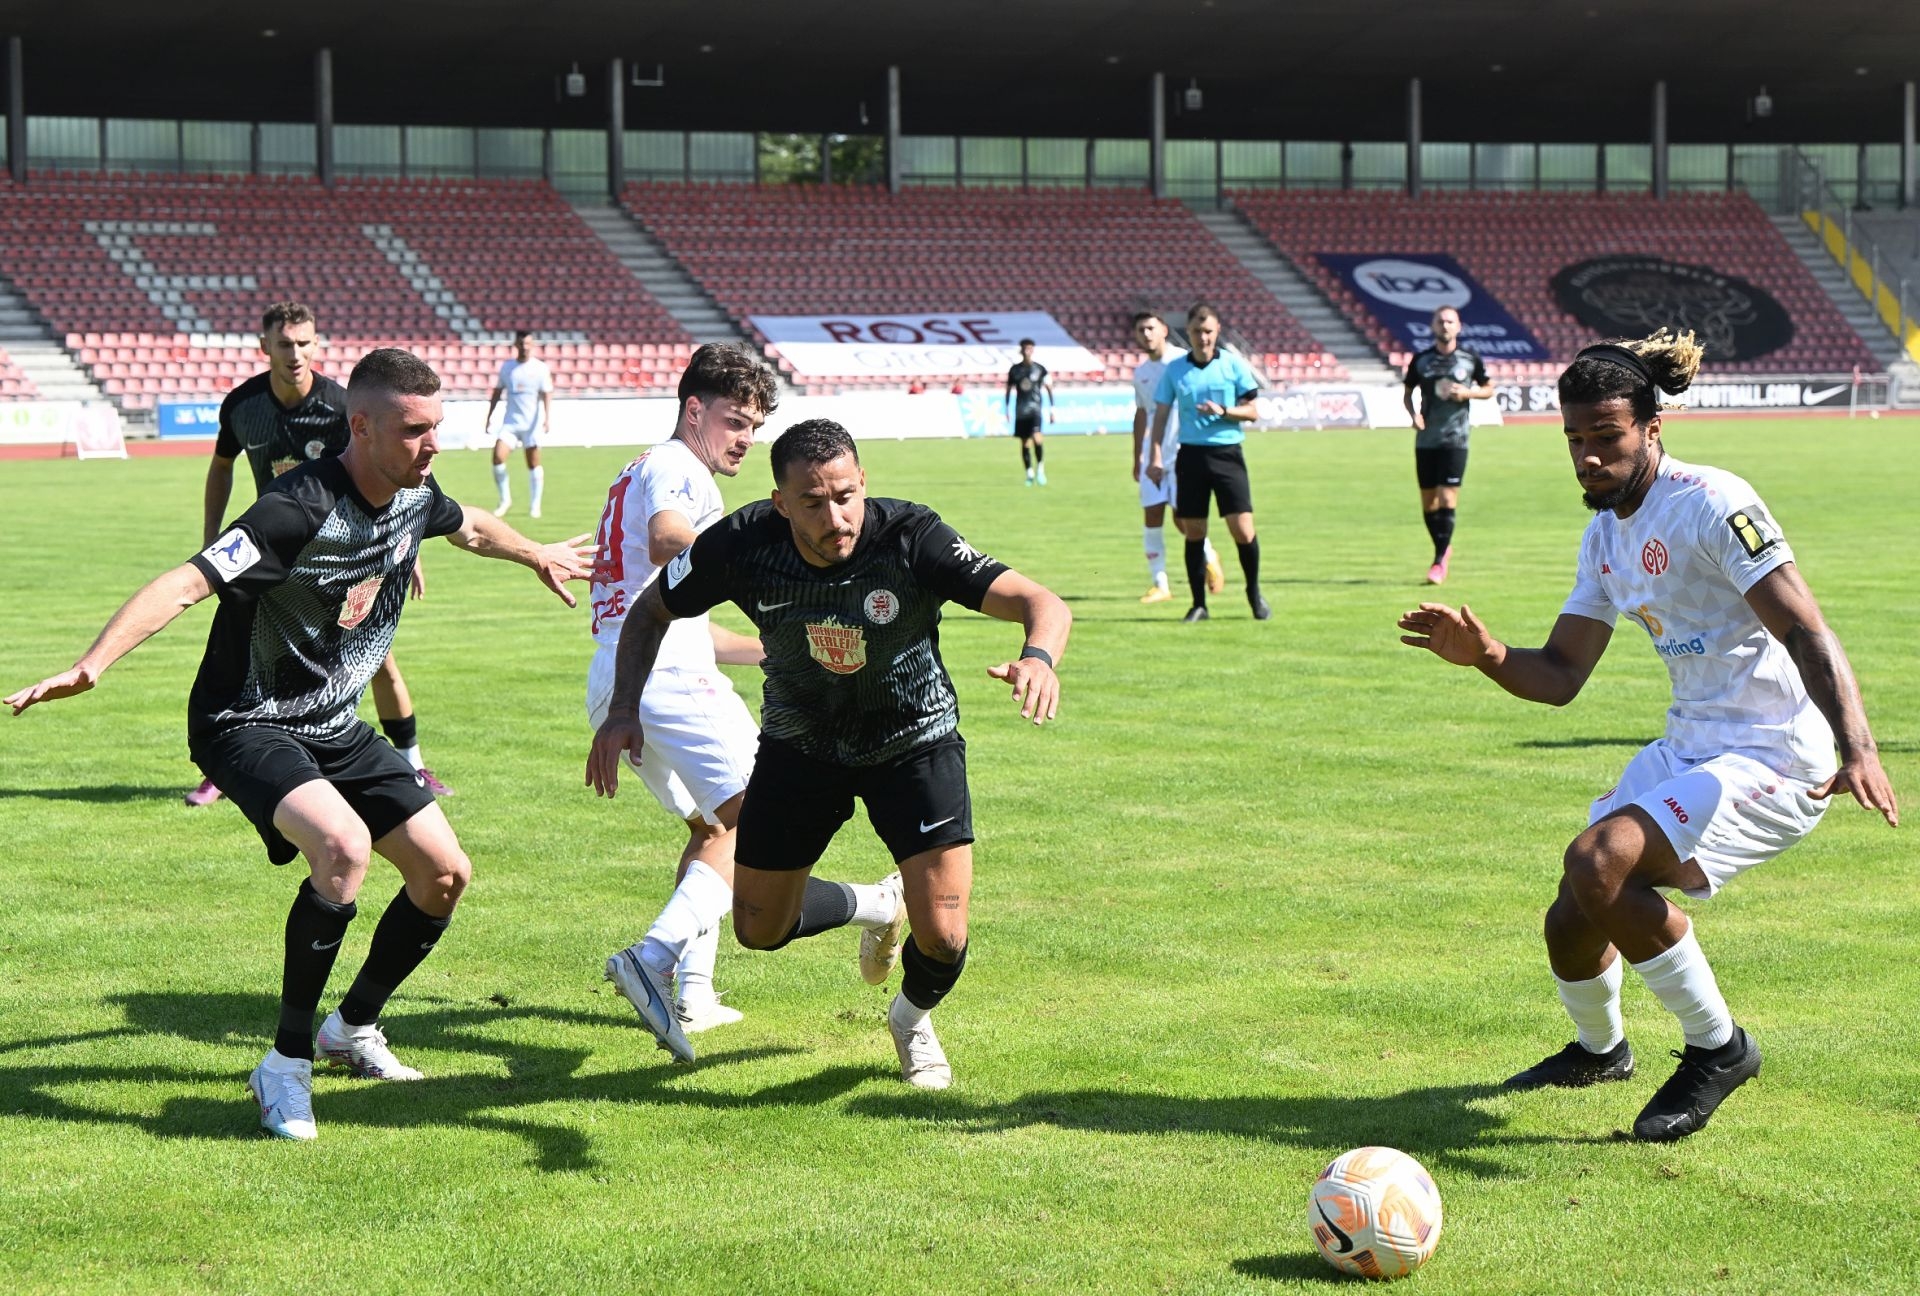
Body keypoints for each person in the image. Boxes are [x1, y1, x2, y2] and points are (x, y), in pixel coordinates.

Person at [8, 348, 595, 1142]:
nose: (433, 446)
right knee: (343, 849)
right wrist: (92, 664)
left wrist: (535, 553)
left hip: (333, 724)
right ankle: (284, 1066)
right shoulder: (297, 505)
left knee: (445, 873)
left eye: (438, 429)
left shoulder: (415, 494)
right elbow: (187, 582)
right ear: (361, 426)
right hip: (245, 720)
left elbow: (468, 525)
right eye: (415, 430)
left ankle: (350, 1029)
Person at [1397, 330, 1898, 1142]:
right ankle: (1600, 1052)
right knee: (1571, 916)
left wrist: (1860, 748)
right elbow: (1561, 674)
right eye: (1575, 440)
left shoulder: (1711, 501)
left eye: (1607, 437)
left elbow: (1806, 627)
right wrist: (1486, 655)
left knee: (1601, 862)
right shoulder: (1604, 536)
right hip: (1693, 744)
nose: (1589, 457)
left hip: (1774, 751)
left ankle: (1719, 1048)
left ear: (1651, 430)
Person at [588, 419, 1071, 1087]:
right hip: (802, 745)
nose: (835, 516)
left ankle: (908, 1019)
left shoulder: (911, 536)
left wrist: (1038, 658)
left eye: (846, 495)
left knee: (945, 937)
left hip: (912, 742)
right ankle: (878, 904)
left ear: (863, 483)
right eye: (812, 503)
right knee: (758, 928)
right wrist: (621, 711)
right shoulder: (740, 544)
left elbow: (1039, 601)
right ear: (780, 502)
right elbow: (649, 612)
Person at [586, 343, 799, 1038]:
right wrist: (756, 580)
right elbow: (668, 540)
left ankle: (692, 996)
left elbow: (674, 614)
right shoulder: (679, 468)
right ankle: (650, 958)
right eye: (735, 422)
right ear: (694, 408)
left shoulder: (640, 469)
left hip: (624, 673)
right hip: (669, 680)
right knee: (759, 822)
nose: (744, 440)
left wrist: (774, 646)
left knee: (713, 830)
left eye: (754, 428)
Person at [196, 301, 452, 804]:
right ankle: (226, 768)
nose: (296, 353)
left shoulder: (343, 406)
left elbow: (397, 476)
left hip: (346, 552)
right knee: (239, 661)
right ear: (264, 345)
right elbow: (221, 466)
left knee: (374, 657)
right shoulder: (242, 406)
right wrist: (212, 534)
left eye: (305, 342)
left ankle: (413, 763)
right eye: (285, 343)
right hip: (271, 553)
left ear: (318, 345)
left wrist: (407, 547)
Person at [1149, 303, 1269, 622]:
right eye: (1197, 332)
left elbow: (1254, 410)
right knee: (1194, 532)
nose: (1203, 337)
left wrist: (1224, 411)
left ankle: (1253, 593)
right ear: (1187, 332)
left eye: (1208, 331)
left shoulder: (1232, 365)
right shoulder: (1176, 370)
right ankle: (1199, 604)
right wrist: (1156, 456)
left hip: (1227, 454)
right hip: (1191, 456)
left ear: (1217, 332)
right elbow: (1160, 415)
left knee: (1243, 531)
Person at [1129, 310, 1223, 605]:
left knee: (1184, 519)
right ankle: (1160, 583)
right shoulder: (1140, 373)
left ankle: (1209, 555)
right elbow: (1142, 414)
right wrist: (1137, 457)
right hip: (1153, 456)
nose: (1146, 334)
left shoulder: (1182, 362)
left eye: (1151, 328)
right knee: (1152, 514)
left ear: (1164, 330)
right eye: (1141, 329)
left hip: (1184, 453)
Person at [1401, 305, 1492, 585]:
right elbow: (1407, 392)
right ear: (1433, 326)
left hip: (1456, 440)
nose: (1445, 326)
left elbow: (1488, 389)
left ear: (1459, 327)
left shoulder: (1469, 359)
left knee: (1448, 498)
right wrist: (1413, 415)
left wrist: (1468, 393)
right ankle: (1443, 546)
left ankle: (1439, 560)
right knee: (1429, 504)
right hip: (1426, 440)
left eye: (1450, 321)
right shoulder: (1421, 360)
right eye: (1440, 321)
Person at [486, 330, 554, 519]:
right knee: (497, 458)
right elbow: (497, 392)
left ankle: (535, 505)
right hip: (511, 423)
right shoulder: (507, 367)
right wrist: (489, 416)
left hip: (531, 425)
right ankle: (505, 500)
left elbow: (547, 393)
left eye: (528, 344)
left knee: (533, 464)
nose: (524, 347)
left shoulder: (540, 368)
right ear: (516, 345)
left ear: (532, 345)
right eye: (521, 344)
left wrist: (547, 418)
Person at [1004, 338, 1054, 486]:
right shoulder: (1015, 370)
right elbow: (1008, 390)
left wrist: (1052, 409)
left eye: (1030, 348)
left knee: (1037, 438)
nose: (1027, 351)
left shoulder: (1040, 369)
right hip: (1020, 411)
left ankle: (1040, 469)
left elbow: (1049, 388)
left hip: (1035, 409)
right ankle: (1029, 473)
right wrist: (1006, 409)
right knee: (1025, 443)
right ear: (1021, 350)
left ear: (1033, 350)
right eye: (1025, 348)